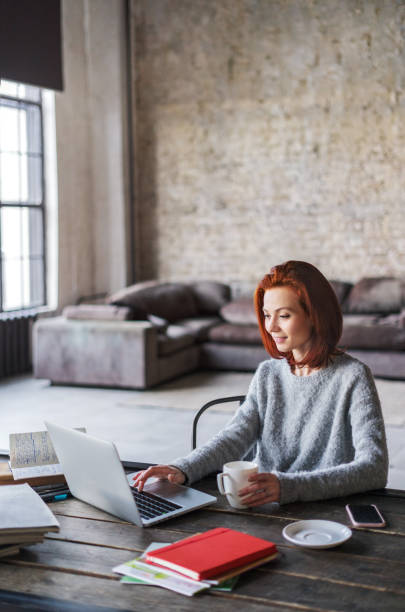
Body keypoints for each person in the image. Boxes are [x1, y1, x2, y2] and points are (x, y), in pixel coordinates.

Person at [133, 261, 388, 506]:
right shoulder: (268, 374)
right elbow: (235, 437)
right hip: (262, 505)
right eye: (267, 315)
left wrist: (288, 487)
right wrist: (182, 468)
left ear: (315, 316)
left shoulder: (353, 376)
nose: (272, 327)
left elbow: (374, 468)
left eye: (284, 315)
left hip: (324, 513)